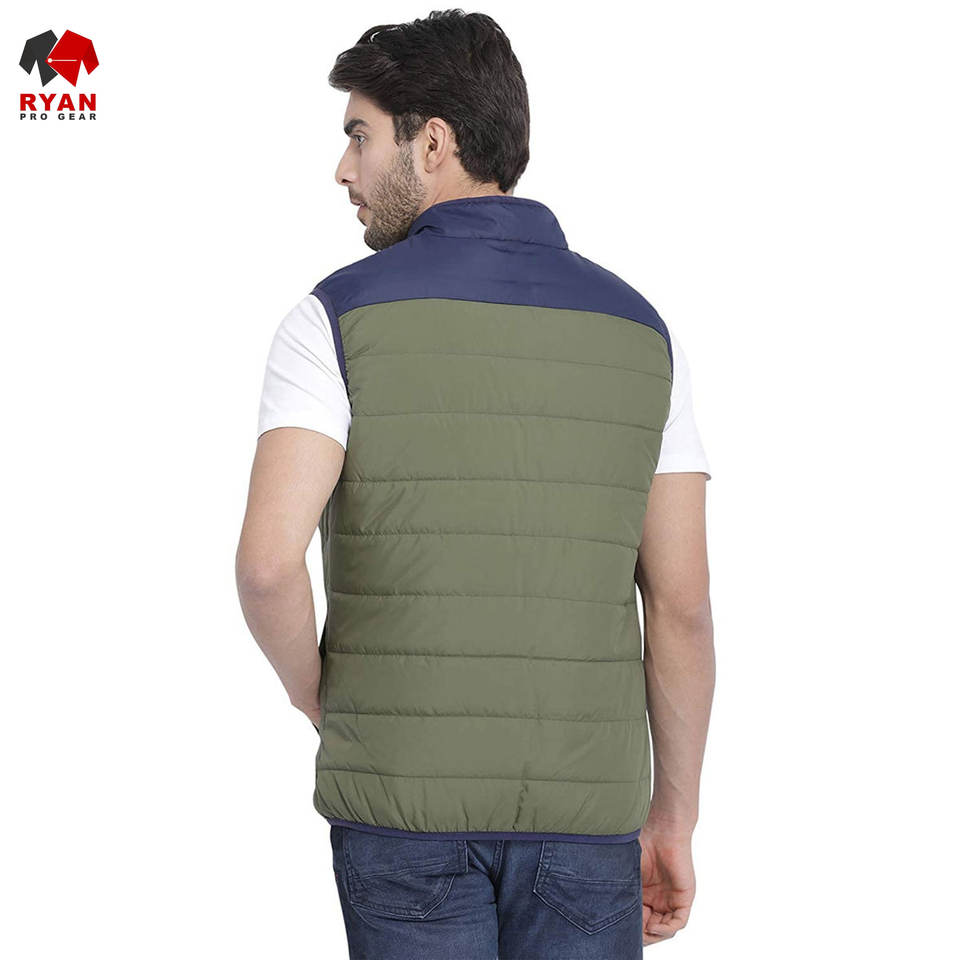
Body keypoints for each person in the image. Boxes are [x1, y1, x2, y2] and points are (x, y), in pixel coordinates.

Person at [236, 10, 715, 958]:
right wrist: (674, 815)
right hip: (589, 819)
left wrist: (323, 700)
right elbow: (683, 605)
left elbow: (265, 566)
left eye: (359, 136)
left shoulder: (332, 319)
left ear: (433, 142)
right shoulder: (642, 333)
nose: (343, 170)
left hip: (400, 807)